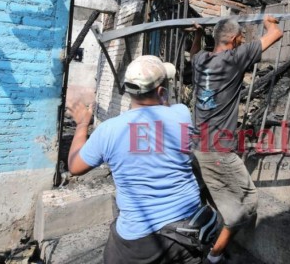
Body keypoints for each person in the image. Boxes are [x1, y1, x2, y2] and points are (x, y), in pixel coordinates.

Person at [68, 55, 218, 264]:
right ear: (161, 91)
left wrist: (83, 124)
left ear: (129, 91)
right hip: (188, 233)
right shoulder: (181, 115)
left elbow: (75, 166)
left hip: (139, 242)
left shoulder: (109, 130)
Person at [189, 16, 283, 263]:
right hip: (217, 150)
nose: (243, 40)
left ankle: (205, 237)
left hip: (196, 145)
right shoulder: (234, 58)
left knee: (209, 194)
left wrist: (197, 34)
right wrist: (269, 22)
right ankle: (214, 256)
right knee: (246, 203)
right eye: (241, 37)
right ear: (232, 39)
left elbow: (193, 52)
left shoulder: (200, 61)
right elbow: (276, 34)